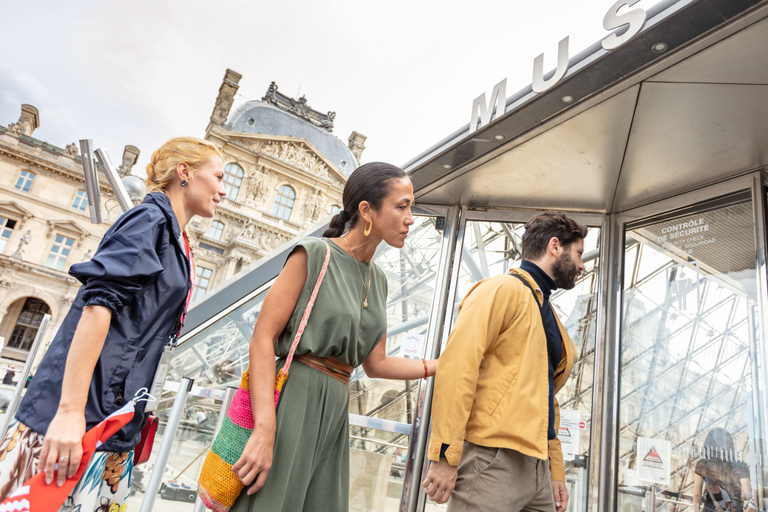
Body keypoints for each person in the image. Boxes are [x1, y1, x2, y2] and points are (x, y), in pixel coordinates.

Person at [0, 137, 226, 507]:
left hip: (113, 419)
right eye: (218, 176)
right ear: (184, 172)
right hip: (82, 418)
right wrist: (70, 413)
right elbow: (97, 308)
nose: (223, 189)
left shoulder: (175, 237)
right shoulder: (149, 220)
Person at [230, 162, 438, 512]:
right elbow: (262, 338)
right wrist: (266, 429)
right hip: (293, 402)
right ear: (367, 210)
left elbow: (377, 364)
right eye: (402, 206)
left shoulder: (380, 279)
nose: (410, 218)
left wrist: (441, 365)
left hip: (336, 409)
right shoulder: (313, 254)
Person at [422, 211, 587, 512]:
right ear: (554, 247)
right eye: (578, 253)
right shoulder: (501, 290)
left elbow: (546, 396)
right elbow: (458, 369)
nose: (581, 264)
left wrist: (554, 469)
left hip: (536, 466)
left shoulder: (544, 309)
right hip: (492, 460)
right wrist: (445, 455)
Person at [693, 428, 754, 512]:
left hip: (711, 508)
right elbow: (747, 492)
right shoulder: (740, 465)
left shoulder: (703, 464)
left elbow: (696, 496)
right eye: (720, 439)